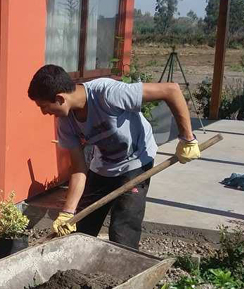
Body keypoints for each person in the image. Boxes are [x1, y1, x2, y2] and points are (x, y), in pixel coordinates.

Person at [27, 65, 199, 248]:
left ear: (60, 98)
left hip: (136, 161)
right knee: (81, 225)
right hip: (102, 165)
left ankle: (123, 272)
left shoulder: (108, 94)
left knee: (122, 229)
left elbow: (171, 90)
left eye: (44, 107)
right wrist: (67, 213)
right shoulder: (65, 123)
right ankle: (77, 272)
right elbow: (78, 169)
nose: (44, 113)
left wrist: (187, 138)